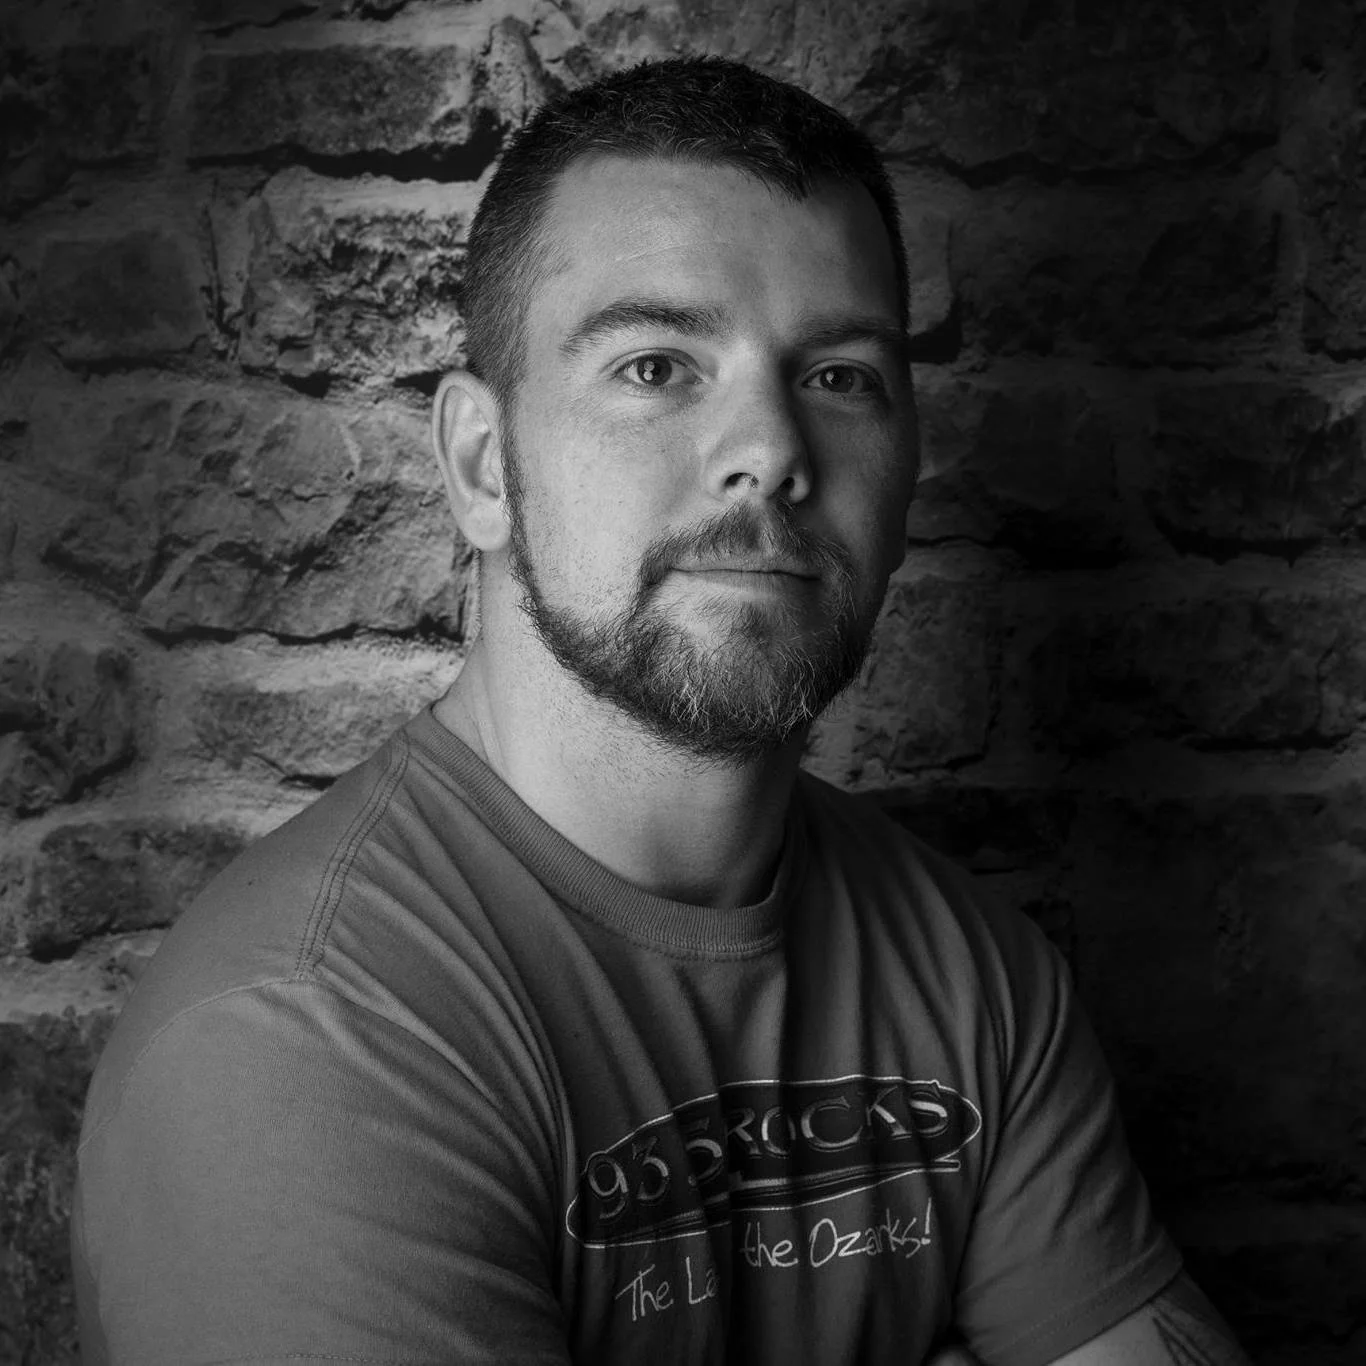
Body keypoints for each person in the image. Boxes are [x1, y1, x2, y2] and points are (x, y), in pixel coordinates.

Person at [70, 55, 1250, 1365]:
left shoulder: (973, 971)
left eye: (841, 374)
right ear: (479, 465)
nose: (771, 451)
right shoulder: (297, 1038)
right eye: (654, 365)